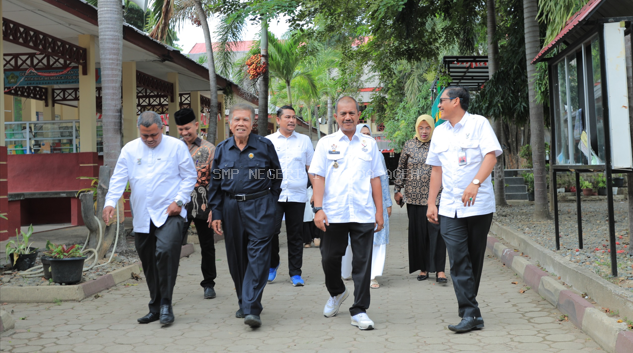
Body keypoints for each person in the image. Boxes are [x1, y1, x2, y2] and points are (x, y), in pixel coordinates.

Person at [103, 111, 197, 327]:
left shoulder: (176, 146)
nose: (150, 139)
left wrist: (180, 201)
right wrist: (110, 202)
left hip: (170, 213)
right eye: (145, 136)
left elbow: (190, 176)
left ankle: (166, 304)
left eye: (154, 134)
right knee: (148, 262)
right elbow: (119, 178)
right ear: (140, 131)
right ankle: (155, 307)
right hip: (143, 216)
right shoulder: (130, 149)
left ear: (162, 128)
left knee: (165, 252)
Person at [426, 86, 502, 333]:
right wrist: (431, 202)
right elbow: (436, 170)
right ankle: (469, 312)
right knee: (458, 257)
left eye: (442, 101)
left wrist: (475, 183)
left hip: (478, 205)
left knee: (473, 257)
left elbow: (491, 156)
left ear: (456, 101)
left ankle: (473, 314)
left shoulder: (478, 124)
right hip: (449, 206)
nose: (439, 105)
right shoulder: (439, 132)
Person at [309, 96, 385, 330]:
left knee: (363, 263)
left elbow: (375, 179)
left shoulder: (369, 144)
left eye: (351, 113)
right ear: (336, 117)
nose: (347, 117)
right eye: (343, 114)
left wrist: (379, 212)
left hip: (363, 213)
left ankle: (359, 310)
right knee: (329, 258)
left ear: (358, 115)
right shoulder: (325, 143)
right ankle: (337, 292)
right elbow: (318, 176)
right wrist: (318, 208)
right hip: (334, 213)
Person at [207, 103, 283, 329]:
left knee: (258, 257)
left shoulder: (264, 146)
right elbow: (215, 183)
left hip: (260, 206)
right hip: (231, 207)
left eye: (245, 120)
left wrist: (272, 202)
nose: (241, 124)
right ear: (230, 124)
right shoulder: (221, 149)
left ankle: (251, 307)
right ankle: (244, 300)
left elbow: (277, 175)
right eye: (237, 120)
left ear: (252, 124)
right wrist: (217, 211)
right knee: (236, 258)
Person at [394, 115, 447, 284]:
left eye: (428, 128)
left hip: (436, 197)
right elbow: (401, 168)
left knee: (437, 234)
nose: (424, 131)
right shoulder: (409, 145)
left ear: (432, 128)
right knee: (419, 235)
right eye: (421, 128)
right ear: (417, 128)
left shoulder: (438, 144)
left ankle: (440, 270)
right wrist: (397, 189)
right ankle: (423, 268)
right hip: (414, 198)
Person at [266, 105, 315, 286]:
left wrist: (316, 192)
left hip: (297, 194)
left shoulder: (304, 141)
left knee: (296, 234)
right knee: (271, 232)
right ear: (278, 120)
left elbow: (312, 168)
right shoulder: (268, 141)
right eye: (287, 117)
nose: (292, 120)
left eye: (294, 117)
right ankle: (272, 265)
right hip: (274, 195)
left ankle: (295, 273)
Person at [341, 124, 392, 289]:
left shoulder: (377, 155)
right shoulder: (346, 152)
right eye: (362, 134)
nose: (366, 137)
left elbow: (383, 180)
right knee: (350, 239)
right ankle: (348, 271)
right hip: (353, 203)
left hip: (376, 203)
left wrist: (387, 203)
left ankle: (372, 276)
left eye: (369, 134)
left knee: (378, 240)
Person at [175, 108, 218, 300]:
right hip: (178, 205)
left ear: (196, 126)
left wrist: (214, 209)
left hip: (203, 204)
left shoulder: (209, 149)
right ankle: (167, 286)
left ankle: (209, 283)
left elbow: (216, 181)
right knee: (172, 246)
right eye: (181, 129)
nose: (184, 133)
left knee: (207, 246)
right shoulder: (173, 148)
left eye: (187, 128)